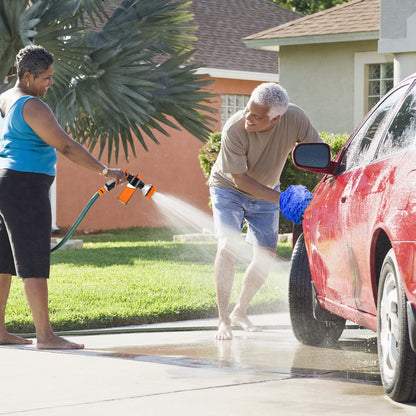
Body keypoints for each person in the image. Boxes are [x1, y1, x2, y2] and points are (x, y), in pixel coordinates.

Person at [0, 45, 127, 349]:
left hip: (6, 182)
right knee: (33, 261)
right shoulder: (33, 106)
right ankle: (45, 336)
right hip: (26, 188)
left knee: (3, 260)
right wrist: (105, 170)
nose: (50, 83)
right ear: (27, 76)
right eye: (46, 77)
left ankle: (0, 331)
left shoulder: (6, 97)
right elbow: (67, 146)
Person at [209, 82, 322, 340]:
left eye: (257, 116)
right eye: (248, 109)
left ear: (276, 119)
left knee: (266, 255)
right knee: (227, 246)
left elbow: (317, 152)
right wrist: (282, 200)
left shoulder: (295, 117)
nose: (248, 117)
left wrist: (321, 188)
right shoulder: (235, 130)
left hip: (268, 190)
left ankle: (240, 312)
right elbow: (241, 181)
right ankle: (223, 320)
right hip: (228, 189)